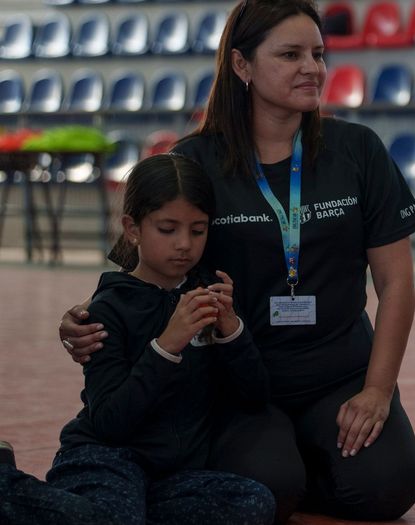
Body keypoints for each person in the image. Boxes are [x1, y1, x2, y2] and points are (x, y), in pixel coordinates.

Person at [57, 1, 415, 521]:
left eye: (318, 54)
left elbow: (396, 283)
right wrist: (87, 319)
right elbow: (142, 267)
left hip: (340, 375)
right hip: (237, 381)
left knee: (387, 491)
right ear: (242, 65)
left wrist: (377, 390)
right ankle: (283, 470)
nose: (311, 68)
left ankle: (301, 464)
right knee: (269, 491)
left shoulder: (358, 149)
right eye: (290, 54)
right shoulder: (194, 159)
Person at [1, 154, 274, 525]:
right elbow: (112, 423)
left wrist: (232, 332)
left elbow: (255, 395)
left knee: (252, 502)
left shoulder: (209, 295)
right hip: (106, 458)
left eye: (198, 230)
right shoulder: (108, 309)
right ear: (132, 229)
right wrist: (166, 347)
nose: (184, 245)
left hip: (171, 473)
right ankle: (6, 483)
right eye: (167, 229)